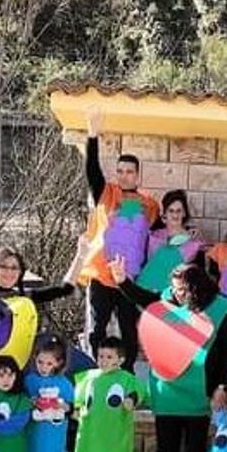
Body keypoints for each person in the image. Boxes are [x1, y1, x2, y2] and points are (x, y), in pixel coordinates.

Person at [110, 257, 227, 452]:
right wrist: (122, 279)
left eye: (183, 289)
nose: (178, 294)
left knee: (195, 450)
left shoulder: (222, 309)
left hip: (200, 392)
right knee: (165, 448)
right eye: (175, 288)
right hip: (166, 390)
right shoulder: (166, 302)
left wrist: (221, 386)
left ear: (198, 287)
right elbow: (142, 297)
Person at [0, 241, 85, 452]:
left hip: (13, 380)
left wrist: (82, 253)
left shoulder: (24, 298)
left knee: (9, 430)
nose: (8, 272)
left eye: (14, 267)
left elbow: (64, 288)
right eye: (3, 267)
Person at [79, 107, 162, 369]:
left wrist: (186, 232)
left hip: (128, 278)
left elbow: (159, 235)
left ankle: (125, 378)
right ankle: (97, 372)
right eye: (121, 170)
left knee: (128, 330)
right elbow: (92, 170)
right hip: (102, 274)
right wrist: (92, 135)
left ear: (137, 175)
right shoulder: (107, 193)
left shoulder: (149, 204)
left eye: (129, 171)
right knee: (97, 328)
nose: (124, 175)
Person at [72, 337, 146, 452]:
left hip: (111, 434)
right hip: (89, 434)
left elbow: (138, 392)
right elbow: (78, 398)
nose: (103, 360)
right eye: (101, 356)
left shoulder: (126, 378)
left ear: (120, 360)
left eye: (108, 357)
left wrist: (131, 400)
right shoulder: (89, 377)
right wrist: (75, 409)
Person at [24, 337, 75, 452]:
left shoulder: (63, 383)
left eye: (49, 363)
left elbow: (72, 407)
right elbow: (20, 402)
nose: (43, 367)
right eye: (40, 362)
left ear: (58, 363)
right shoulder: (29, 380)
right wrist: (30, 402)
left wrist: (61, 405)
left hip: (53, 434)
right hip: (32, 432)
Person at [135, 189, 204, 293]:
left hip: (173, 296)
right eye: (171, 210)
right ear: (165, 213)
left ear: (184, 213)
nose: (175, 215)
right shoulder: (154, 234)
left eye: (178, 211)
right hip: (145, 292)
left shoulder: (194, 242)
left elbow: (197, 275)